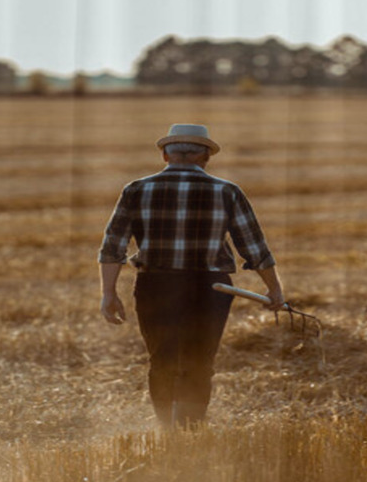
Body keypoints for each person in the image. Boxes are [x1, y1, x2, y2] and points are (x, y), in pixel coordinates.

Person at [98, 123, 284, 429]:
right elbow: (253, 247)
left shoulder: (136, 189)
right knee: (200, 360)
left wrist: (109, 293)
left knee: (162, 360)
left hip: (155, 285)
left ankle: (168, 431)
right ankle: (190, 432)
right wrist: (274, 289)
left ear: (164, 155)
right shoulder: (227, 191)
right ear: (206, 157)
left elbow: (112, 247)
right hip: (211, 287)